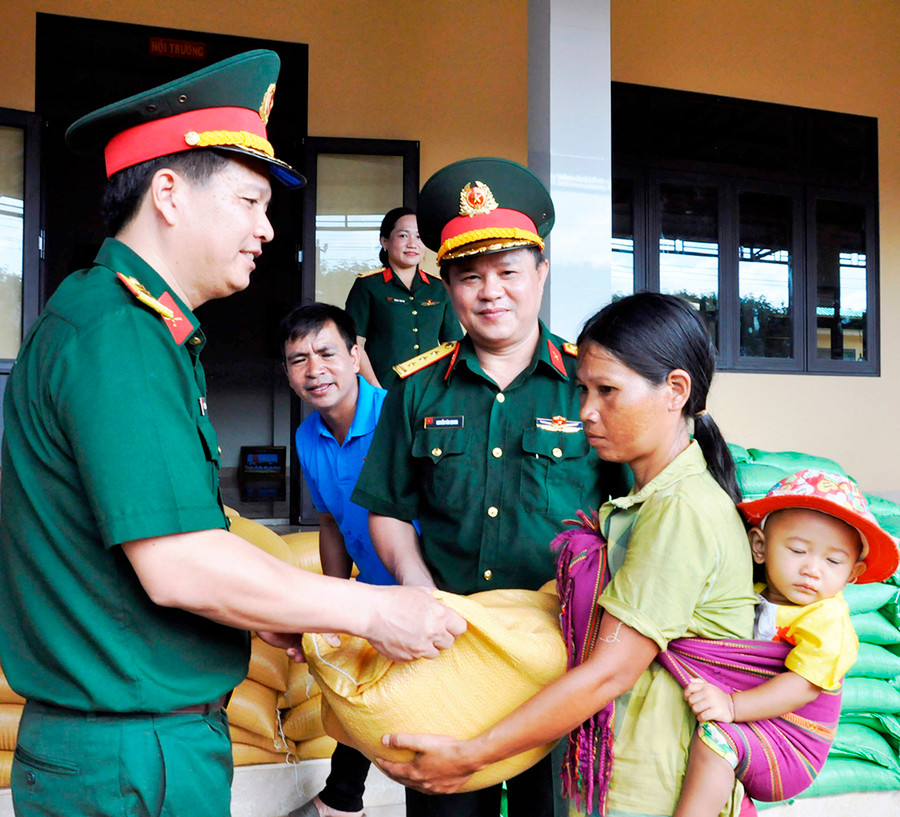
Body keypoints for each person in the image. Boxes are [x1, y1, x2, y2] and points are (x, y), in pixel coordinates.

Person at [0, 51, 465, 817]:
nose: (267, 228)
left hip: (132, 743)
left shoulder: (127, 325)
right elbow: (180, 563)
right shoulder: (120, 336)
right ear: (171, 194)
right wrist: (371, 610)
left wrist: (274, 607)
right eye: (250, 201)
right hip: (132, 760)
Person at [375, 292, 758, 817]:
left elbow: (608, 671)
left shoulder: (679, 511)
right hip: (617, 772)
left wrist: (469, 756)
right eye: (583, 390)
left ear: (675, 390)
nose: (586, 412)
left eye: (607, 391)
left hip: (653, 787)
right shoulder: (639, 505)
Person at [351, 158, 628, 817]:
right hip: (450, 652)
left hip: (561, 658)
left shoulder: (590, 386)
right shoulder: (415, 389)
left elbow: (630, 512)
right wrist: (415, 582)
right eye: (470, 275)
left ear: (541, 273)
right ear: (447, 285)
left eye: (508, 271)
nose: (491, 291)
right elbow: (387, 510)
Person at [672, 468, 900, 815]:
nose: (813, 569)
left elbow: (804, 686)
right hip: (758, 730)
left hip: (792, 748)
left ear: (852, 574)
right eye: (797, 550)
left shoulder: (828, 620)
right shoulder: (746, 595)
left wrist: (732, 706)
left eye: (833, 560)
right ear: (759, 547)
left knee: (716, 741)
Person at [279, 302, 395, 817]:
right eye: (297, 360)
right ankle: (342, 800)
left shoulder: (399, 416)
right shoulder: (308, 437)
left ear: (354, 355)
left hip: (428, 587)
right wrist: (333, 602)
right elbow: (328, 522)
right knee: (359, 694)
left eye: (326, 353)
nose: (313, 370)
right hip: (369, 589)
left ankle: (339, 800)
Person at [345, 207, 462, 389]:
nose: (412, 244)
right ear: (385, 241)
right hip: (384, 387)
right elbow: (354, 344)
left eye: (418, 237)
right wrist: (375, 388)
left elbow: (452, 343)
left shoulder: (439, 287)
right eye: (403, 236)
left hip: (430, 388)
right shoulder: (368, 285)